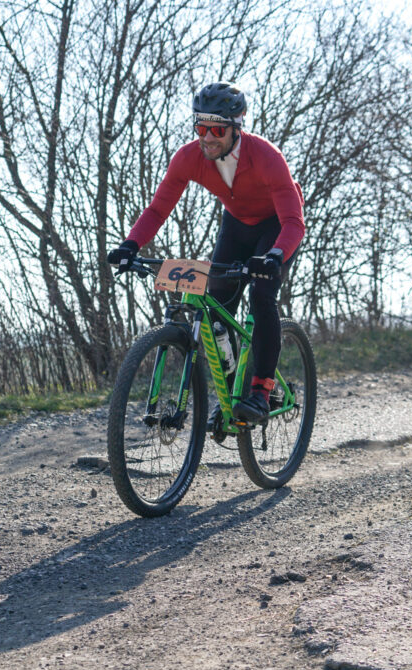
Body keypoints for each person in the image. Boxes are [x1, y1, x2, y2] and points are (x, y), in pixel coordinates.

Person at [107, 81, 305, 424]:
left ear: (236, 127)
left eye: (217, 129)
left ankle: (261, 391)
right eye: (201, 128)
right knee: (216, 308)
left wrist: (275, 255)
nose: (208, 138)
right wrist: (130, 245)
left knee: (261, 296)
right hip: (237, 225)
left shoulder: (267, 157)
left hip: (277, 226)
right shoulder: (188, 158)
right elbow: (158, 209)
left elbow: (293, 222)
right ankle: (230, 395)